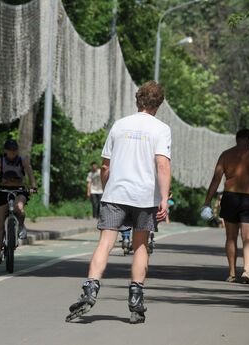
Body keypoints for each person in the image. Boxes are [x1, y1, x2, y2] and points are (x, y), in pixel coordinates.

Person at [66, 81, 171, 324]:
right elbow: (162, 164)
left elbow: (105, 165)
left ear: (138, 101)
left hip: (116, 194)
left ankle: (90, 290)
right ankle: (136, 297)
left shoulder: (119, 125)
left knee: (105, 243)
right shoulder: (161, 129)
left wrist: (107, 189)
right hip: (145, 197)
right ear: (159, 104)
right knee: (141, 246)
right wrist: (164, 198)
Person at [203, 128, 249, 284]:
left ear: (236, 139)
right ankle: (247, 271)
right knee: (248, 237)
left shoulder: (226, 155)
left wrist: (207, 201)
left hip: (230, 197)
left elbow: (216, 180)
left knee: (231, 237)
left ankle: (232, 273)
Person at [0, 139, 37, 264]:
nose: (12, 153)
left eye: (14, 150)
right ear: (5, 151)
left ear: (17, 150)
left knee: (19, 207)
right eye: (10, 150)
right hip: (3, 190)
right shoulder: (0, 161)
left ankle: (20, 225)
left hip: (19, 190)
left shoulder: (23, 160)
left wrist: (33, 187)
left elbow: (30, 174)